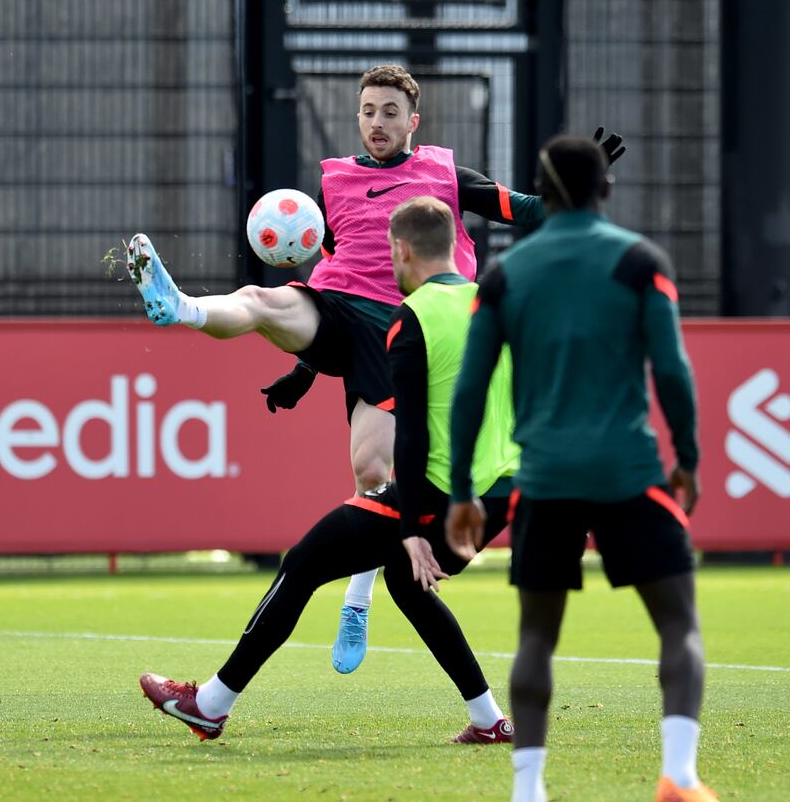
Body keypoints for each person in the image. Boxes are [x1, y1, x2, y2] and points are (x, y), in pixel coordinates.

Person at [127, 62, 625, 675]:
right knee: (262, 300)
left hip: (403, 333)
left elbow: (526, 211)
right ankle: (181, 307)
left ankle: (357, 600)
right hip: (338, 312)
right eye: (368, 111)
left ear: (412, 121)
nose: (377, 122)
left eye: (390, 112)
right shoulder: (332, 188)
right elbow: (331, 269)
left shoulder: (444, 175)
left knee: (370, 470)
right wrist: (306, 369)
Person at [139, 195, 520, 745]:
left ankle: (210, 704)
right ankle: (489, 721)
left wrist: (411, 526)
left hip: (439, 492)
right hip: (503, 495)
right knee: (408, 586)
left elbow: (410, 432)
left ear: (403, 250)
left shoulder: (411, 319)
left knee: (305, 564)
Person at [445, 136, 717, 802]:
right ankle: (678, 776)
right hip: (629, 473)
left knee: (537, 634)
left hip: (544, 481)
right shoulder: (639, 261)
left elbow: (470, 391)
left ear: (541, 192)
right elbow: (673, 371)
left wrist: (460, 490)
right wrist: (687, 457)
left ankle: (528, 789)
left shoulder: (506, 277)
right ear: (608, 189)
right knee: (678, 626)